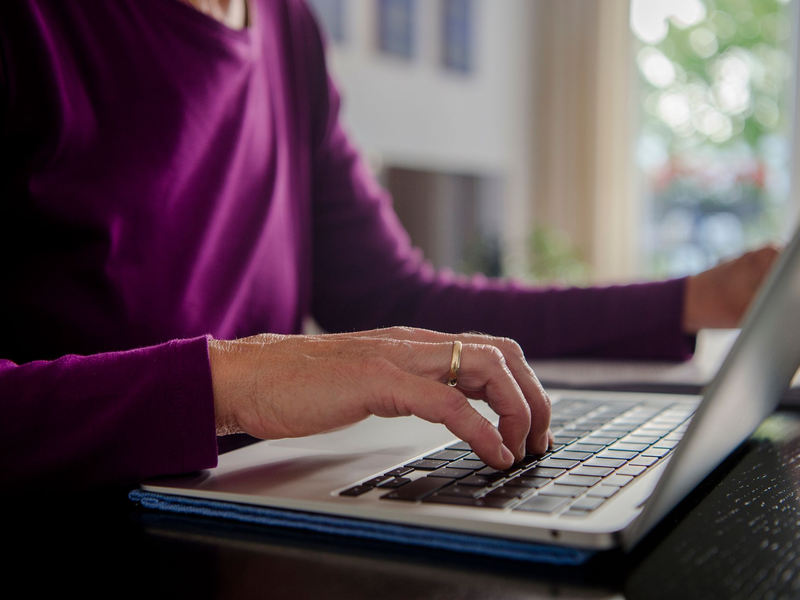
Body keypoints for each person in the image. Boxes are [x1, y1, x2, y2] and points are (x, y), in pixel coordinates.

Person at [0, 0, 778, 491]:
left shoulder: (285, 26)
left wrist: (696, 300)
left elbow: (402, 306)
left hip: (255, 526)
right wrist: (232, 383)